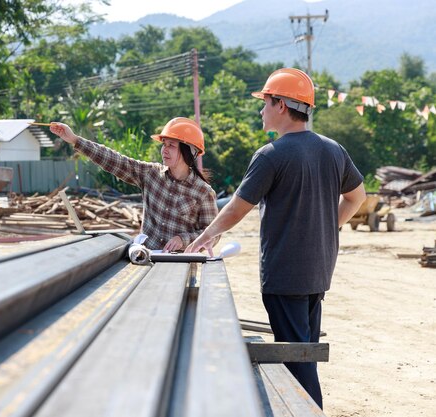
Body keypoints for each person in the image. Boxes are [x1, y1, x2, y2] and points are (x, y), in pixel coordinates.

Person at [185, 68, 367, 409]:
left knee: (297, 362)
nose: (261, 110)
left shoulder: (271, 155)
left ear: (281, 104)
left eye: (265, 103)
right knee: (305, 350)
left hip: (285, 276)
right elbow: (358, 197)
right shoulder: (334, 150)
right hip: (318, 272)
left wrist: (204, 238)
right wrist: (330, 227)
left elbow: (236, 209)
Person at [50, 117, 218, 251]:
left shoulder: (203, 192)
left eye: (171, 146)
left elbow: (214, 234)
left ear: (189, 151)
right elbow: (115, 161)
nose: (164, 150)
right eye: (164, 144)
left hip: (181, 268)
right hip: (146, 259)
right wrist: (74, 140)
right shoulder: (151, 174)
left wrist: (184, 239)